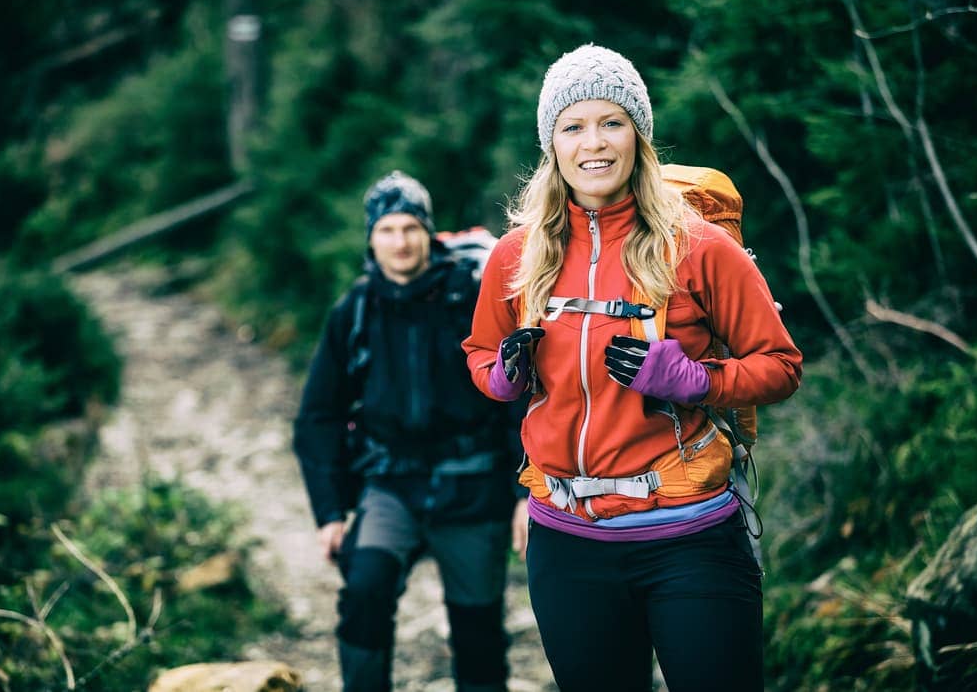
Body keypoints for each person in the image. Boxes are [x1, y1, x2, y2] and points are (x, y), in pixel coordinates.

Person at [463, 44, 803, 692]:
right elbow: (480, 355)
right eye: (573, 125)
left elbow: (782, 365)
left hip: (691, 536)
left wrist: (697, 380)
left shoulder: (701, 248)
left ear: (639, 136)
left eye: (612, 121)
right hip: (567, 545)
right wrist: (504, 376)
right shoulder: (516, 255)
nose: (594, 142)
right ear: (551, 143)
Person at [292, 170, 526, 692]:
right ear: (372, 238)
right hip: (390, 486)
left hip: (473, 486)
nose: (400, 242)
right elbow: (318, 415)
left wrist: (523, 490)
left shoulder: (471, 297)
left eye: (410, 229)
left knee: (478, 628)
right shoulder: (355, 309)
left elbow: (519, 394)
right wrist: (330, 511)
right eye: (387, 230)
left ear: (428, 233)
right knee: (365, 594)